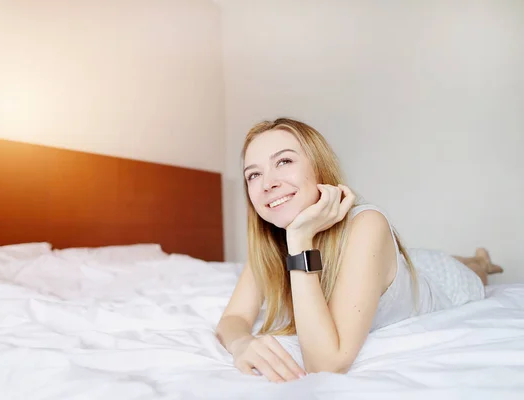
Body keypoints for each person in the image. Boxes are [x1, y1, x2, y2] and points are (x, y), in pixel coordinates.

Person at [215, 118, 503, 383]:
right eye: (253, 175)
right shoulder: (271, 240)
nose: (268, 183)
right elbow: (233, 319)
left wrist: (300, 238)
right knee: (417, 258)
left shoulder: (366, 224)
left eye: (284, 161)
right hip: (395, 266)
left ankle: (478, 260)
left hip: (439, 283)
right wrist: (242, 342)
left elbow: (326, 363)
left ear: (319, 167)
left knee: (471, 271)